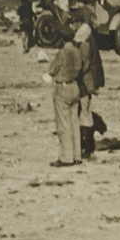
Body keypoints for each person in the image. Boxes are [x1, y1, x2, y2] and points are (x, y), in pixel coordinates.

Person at [44, 23, 89, 166]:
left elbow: (52, 70)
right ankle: (77, 156)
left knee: (63, 124)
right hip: (74, 86)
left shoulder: (62, 53)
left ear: (61, 39)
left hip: (62, 88)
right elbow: (79, 69)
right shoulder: (77, 52)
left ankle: (66, 157)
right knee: (74, 121)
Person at [76, 16, 105, 158]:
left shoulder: (84, 43)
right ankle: (87, 145)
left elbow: (85, 65)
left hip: (85, 83)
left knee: (84, 113)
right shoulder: (90, 38)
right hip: (90, 82)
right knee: (86, 111)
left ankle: (86, 146)